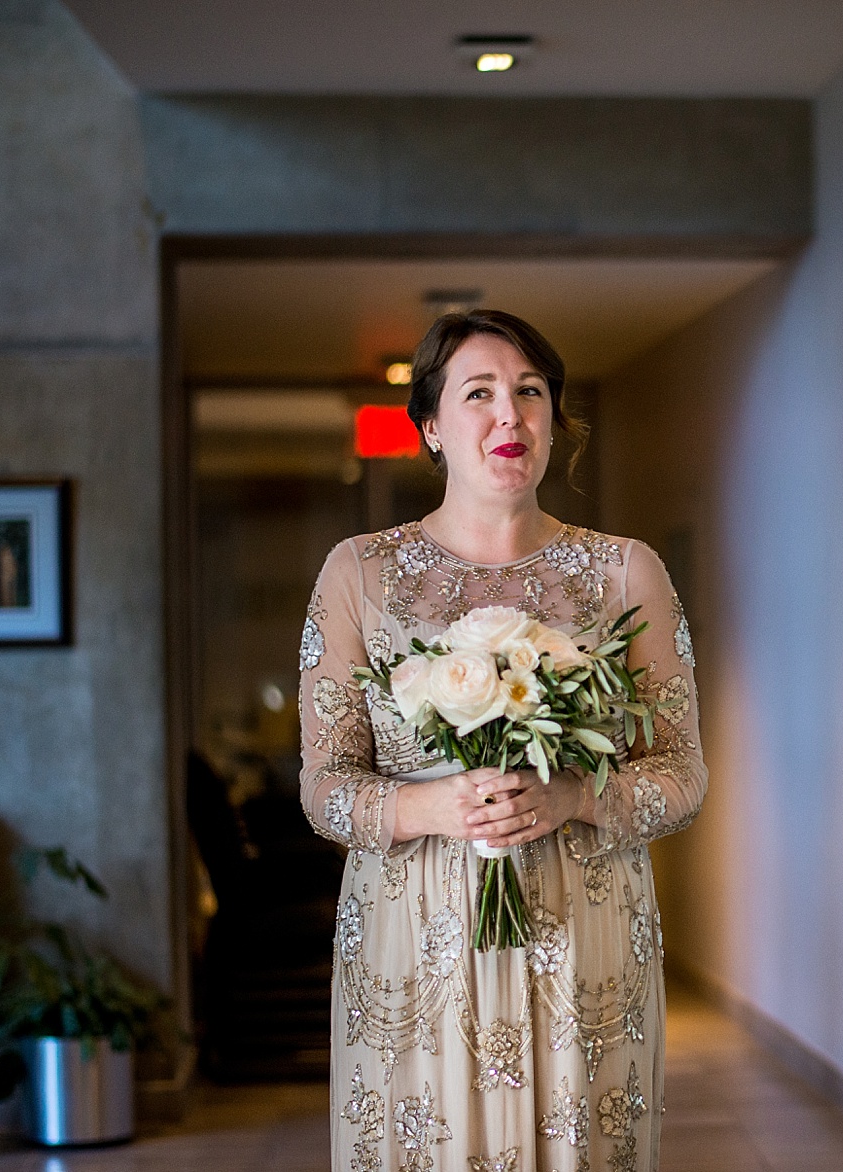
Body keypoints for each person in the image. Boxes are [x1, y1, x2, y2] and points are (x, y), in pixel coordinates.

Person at [297, 309, 705, 1172]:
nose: (508, 416)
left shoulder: (624, 570)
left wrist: (575, 796)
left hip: (582, 931)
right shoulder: (358, 572)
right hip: (414, 938)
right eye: (477, 393)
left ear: (555, 420)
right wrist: (433, 804)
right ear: (432, 426)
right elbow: (325, 787)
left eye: (529, 393)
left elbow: (680, 774)